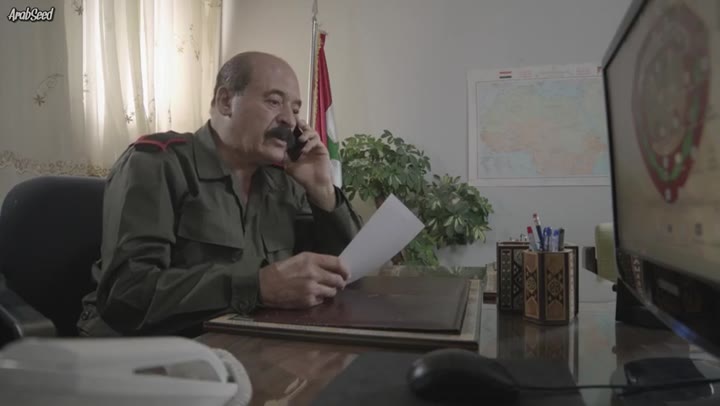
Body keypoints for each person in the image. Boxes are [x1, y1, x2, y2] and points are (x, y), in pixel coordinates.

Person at [77, 51, 363, 337]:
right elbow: (126, 294)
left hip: (243, 341)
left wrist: (322, 190)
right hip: (146, 347)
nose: (289, 120)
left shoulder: (285, 182)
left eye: (296, 109)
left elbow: (345, 274)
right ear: (226, 101)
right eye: (274, 102)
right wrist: (258, 287)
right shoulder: (156, 164)